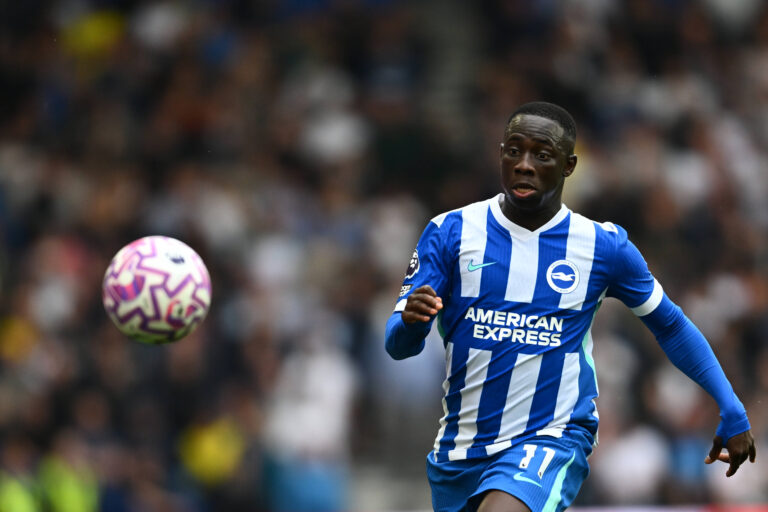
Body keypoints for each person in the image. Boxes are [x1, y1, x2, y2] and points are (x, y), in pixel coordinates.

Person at [383, 102, 756, 512]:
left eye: (542, 155)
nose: (524, 165)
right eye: (514, 151)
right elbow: (398, 346)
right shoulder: (450, 232)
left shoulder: (602, 246)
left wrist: (731, 406)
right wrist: (412, 323)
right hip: (461, 449)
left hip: (551, 438)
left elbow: (670, 325)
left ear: (569, 166)